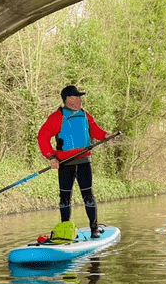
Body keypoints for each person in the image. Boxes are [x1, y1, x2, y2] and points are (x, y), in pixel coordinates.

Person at [37, 85, 112, 238]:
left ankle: (94, 227)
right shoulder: (56, 117)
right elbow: (42, 136)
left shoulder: (85, 115)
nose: (80, 100)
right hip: (65, 163)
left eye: (80, 97)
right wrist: (51, 157)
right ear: (68, 100)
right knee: (65, 198)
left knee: (88, 195)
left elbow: (95, 131)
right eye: (76, 97)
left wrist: (105, 135)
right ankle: (65, 229)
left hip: (84, 161)